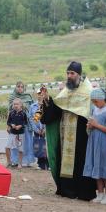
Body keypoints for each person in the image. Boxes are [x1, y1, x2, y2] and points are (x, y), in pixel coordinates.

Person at [40, 61, 97, 201]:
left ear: (79, 75)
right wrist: (48, 100)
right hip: (65, 134)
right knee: (65, 161)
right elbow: (56, 111)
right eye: (68, 73)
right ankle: (67, 190)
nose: (69, 76)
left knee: (81, 161)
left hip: (82, 136)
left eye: (72, 73)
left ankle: (84, 192)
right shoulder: (66, 91)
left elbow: (93, 111)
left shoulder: (88, 92)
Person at [83, 88, 106, 205]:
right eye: (93, 101)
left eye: (96, 101)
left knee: (105, 168)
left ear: (103, 99)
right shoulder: (94, 110)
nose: (94, 103)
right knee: (96, 167)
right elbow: (92, 125)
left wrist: (96, 125)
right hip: (94, 143)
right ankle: (100, 193)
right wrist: (90, 126)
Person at [8, 82, 35, 167]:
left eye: (22, 87)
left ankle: (27, 161)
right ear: (15, 87)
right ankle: (15, 161)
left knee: (26, 143)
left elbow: (33, 110)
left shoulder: (28, 97)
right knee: (15, 143)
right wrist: (8, 125)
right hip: (14, 126)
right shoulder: (12, 97)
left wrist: (35, 122)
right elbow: (9, 112)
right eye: (18, 86)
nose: (20, 88)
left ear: (24, 88)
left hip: (26, 124)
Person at [6, 98, 27, 169]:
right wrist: (11, 125)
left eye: (17, 104)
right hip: (12, 133)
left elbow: (25, 122)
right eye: (14, 104)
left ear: (21, 105)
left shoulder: (23, 113)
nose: (15, 105)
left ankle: (20, 164)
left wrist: (20, 125)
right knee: (7, 147)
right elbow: (8, 122)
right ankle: (9, 162)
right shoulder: (11, 113)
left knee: (20, 149)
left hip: (20, 134)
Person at [30, 88, 48, 170]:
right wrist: (37, 130)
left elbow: (49, 118)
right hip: (37, 130)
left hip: (45, 131)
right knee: (39, 146)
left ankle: (48, 164)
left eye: (42, 94)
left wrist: (44, 129)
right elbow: (32, 119)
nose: (40, 96)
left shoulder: (48, 105)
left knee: (46, 147)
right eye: (39, 94)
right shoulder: (33, 106)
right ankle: (40, 164)